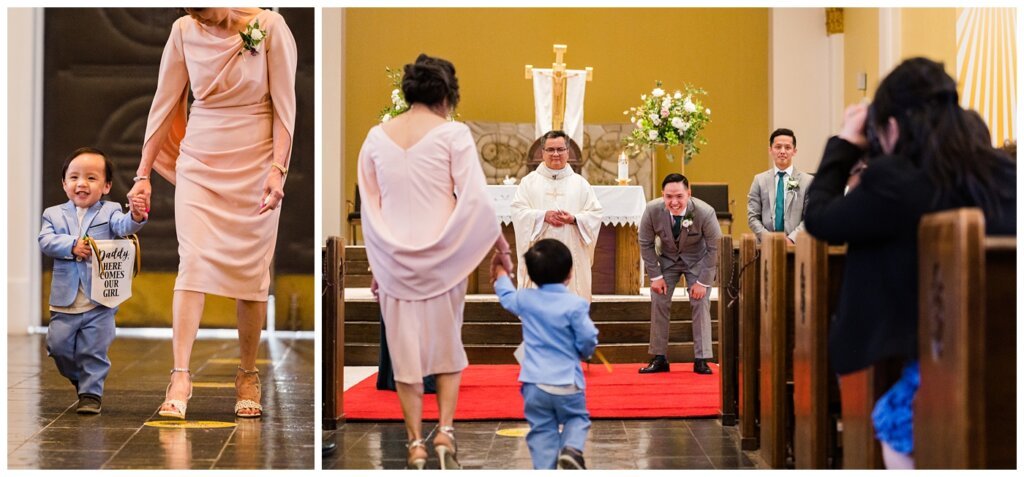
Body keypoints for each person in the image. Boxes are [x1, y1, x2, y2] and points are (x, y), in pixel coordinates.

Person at [804, 57, 1016, 469]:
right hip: (1007, 358)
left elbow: (821, 218)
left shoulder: (896, 180)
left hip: (938, 358)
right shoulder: (1004, 173)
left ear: (893, 127)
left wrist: (846, 141)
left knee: (896, 428)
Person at [128, 8, 297, 419]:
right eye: (192, 11)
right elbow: (164, 103)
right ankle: (180, 376)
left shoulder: (270, 26)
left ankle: (247, 373)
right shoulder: (183, 31)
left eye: (203, 10)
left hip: (255, 162)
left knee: (252, 270)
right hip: (201, 159)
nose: (200, 18)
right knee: (193, 261)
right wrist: (142, 174)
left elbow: (284, 106)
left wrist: (278, 169)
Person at [357, 53, 513, 470]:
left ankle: (414, 444)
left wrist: (378, 260)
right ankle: (444, 430)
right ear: (446, 93)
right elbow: (476, 198)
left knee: (405, 354)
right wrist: (501, 246)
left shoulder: (375, 137)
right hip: (444, 258)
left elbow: (370, 207)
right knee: (446, 345)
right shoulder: (453, 135)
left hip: (392, 260)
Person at [39, 147, 148, 414]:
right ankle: (79, 377)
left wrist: (135, 215)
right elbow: (45, 241)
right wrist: (71, 245)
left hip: (100, 300)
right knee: (58, 346)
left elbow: (124, 226)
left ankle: (91, 392)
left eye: (91, 178)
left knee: (94, 349)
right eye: (74, 177)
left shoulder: (109, 211)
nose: (81, 184)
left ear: (107, 185)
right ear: (64, 183)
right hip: (66, 300)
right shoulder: (53, 214)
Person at [493, 238, 599, 470]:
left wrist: (501, 273)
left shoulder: (525, 299)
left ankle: (544, 469)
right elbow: (588, 337)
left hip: (534, 383)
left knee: (541, 429)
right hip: (567, 382)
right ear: (569, 273)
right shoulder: (575, 304)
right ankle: (571, 449)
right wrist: (583, 352)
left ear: (531, 276)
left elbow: (506, 296)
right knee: (576, 418)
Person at [638, 174, 721, 375]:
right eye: (668, 197)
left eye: (679, 196)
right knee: (659, 298)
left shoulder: (704, 212)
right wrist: (655, 276)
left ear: (688, 194)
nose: (674, 202)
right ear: (662, 195)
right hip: (668, 260)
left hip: (697, 261)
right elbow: (645, 243)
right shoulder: (652, 210)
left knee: (700, 303)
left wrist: (703, 281)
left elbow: (714, 248)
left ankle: (701, 359)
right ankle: (659, 357)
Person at [510, 130, 603, 301]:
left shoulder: (581, 184)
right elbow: (518, 211)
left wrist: (574, 219)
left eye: (560, 149)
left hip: (571, 250)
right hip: (539, 253)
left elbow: (595, 214)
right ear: (542, 152)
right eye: (550, 150)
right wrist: (542, 216)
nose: (555, 154)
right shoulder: (529, 183)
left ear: (568, 151)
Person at [747, 128, 814, 243]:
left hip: (797, 246)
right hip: (765, 246)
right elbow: (753, 217)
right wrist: (769, 239)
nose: (782, 151)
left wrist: (791, 239)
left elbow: (810, 217)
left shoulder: (807, 181)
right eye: (778, 147)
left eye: (787, 147)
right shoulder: (760, 180)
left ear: (794, 151)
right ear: (770, 150)